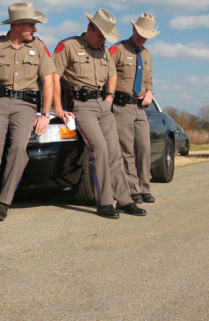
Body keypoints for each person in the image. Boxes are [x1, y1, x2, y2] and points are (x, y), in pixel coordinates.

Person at [0, 2, 55, 225]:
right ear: (16, 25)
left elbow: (48, 79)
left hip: (26, 106)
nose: (34, 30)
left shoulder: (40, 47)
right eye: (30, 25)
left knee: (18, 149)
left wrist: (45, 114)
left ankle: (3, 203)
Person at [52, 8, 146, 219]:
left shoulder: (103, 50)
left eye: (106, 37)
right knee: (100, 148)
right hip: (81, 105)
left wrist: (110, 97)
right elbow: (52, 77)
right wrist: (58, 108)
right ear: (89, 28)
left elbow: (112, 74)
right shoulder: (68, 46)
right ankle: (104, 203)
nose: (102, 40)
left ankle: (125, 200)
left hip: (103, 106)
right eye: (100, 35)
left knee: (115, 151)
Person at [110, 13, 160, 204]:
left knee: (144, 148)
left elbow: (149, 81)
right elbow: (107, 75)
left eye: (146, 36)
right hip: (121, 107)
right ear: (133, 29)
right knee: (127, 150)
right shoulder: (117, 50)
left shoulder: (147, 55)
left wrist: (150, 92)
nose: (142, 38)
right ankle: (133, 190)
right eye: (140, 34)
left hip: (140, 109)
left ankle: (145, 187)